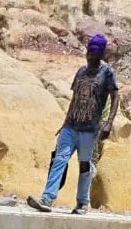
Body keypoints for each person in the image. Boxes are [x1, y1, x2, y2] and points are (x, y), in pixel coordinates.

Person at [27, 33, 119, 215]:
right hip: (71, 126)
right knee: (60, 159)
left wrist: (108, 123)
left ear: (100, 54)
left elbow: (115, 96)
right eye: (89, 52)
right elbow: (75, 99)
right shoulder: (81, 72)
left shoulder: (107, 73)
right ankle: (47, 198)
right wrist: (64, 123)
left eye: (94, 53)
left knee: (84, 165)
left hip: (89, 129)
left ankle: (82, 202)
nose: (90, 56)